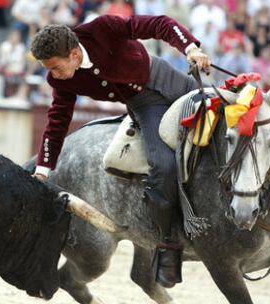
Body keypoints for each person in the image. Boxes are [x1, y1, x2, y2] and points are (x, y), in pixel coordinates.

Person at [30, 15, 211, 288]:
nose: (52, 75)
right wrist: (42, 171)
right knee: (163, 167)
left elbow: (158, 24)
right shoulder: (61, 80)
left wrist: (191, 48)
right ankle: (169, 247)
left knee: (229, 131)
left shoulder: (102, 29)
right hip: (147, 106)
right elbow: (57, 122)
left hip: (173, 82)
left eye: (55, 67)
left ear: (74, 54)